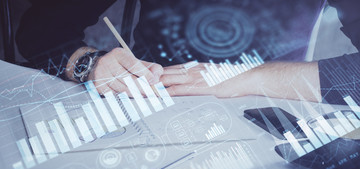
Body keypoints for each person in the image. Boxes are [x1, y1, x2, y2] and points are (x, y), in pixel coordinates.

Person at [15, 0, 359, 105]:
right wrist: (91, 65)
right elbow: (41, 30)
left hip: (273, 105)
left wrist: (245, 78)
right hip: (150, 98)